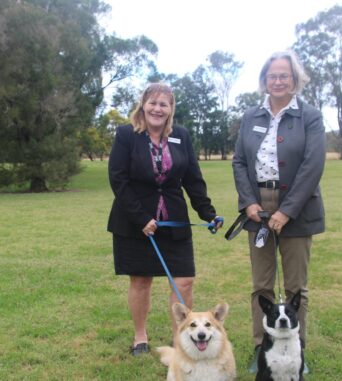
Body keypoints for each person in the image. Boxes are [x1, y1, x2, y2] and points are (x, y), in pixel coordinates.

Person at [107, 82, 222, 356]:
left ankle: (179, 339)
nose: (157, 109)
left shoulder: (180, 136)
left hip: (174, 221)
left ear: (171, 109)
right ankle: (140, 337)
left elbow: (193, 179)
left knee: (184, 280)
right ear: (143, 105)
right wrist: (140, 218)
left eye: (164, 104)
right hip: (136, 224)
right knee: (141, 281)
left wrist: (208, 212)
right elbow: (118, 179)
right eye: (153, 103)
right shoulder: (126, 135)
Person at [231, 50, 326, 370]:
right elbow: (240, 162)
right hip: (258, 206)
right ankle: (263, 350)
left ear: (295, 79)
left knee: (296, 287)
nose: (278, 80)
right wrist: (249, 201)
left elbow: (313, 165)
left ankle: (297, 353)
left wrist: (286, 211)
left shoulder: (309, 116)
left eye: (284, 75)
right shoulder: (250, 116)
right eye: (272, 76)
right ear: (264, 80)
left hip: (297, 208)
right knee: (261, 285)